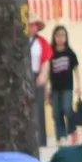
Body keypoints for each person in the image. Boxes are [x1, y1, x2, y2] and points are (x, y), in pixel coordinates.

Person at [48, 25, 81, 144]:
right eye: (58, 35)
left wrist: (79, 86)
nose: (61, 38)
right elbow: (47, 71)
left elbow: (76, 70)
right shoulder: (51, 52)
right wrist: (47, 89)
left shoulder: (70, 52)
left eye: (63, 35)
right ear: (54, 37)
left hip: (67, 87)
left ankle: (73, 131)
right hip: (55, 88)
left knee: (67, 108)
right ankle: (60, 137)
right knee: (56, 113)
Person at [28, 13, 52, 147]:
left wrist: (43, 75)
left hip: (37, 75)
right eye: (30, 25)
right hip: (25, 75)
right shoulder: (20, 41)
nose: (33, 28)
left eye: (34, 25)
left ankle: (41, 138)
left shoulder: (42, 42)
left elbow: (46, 61)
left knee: (38, 108)